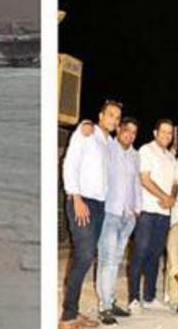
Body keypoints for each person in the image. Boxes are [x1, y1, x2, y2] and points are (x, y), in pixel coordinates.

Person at [61, 99, 122, 328]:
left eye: (117, 117)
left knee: (84, 257)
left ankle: (72, 311)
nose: (114, 120)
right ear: (100, 116)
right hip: (82, 201)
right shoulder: (86, 132)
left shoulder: (109, 143)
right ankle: (68, 317)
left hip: (99, 205)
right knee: (85, 255)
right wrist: (75, 197)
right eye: (111, 115)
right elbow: (70, 164)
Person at [96, 117, 142, 325]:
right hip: (110, 213)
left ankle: (111, 301)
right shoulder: (108, 147)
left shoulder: (134, 155)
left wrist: (137, 209)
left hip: (127, 216)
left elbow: (136, 184)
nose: (130, 135)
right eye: (127, 130)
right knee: (107, 261)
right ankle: (104, 307)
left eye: (134, 132)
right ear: (119, 130)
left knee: (115, 261)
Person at [128, 118, 176, 313]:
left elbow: (174, 182)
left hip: (164, 213)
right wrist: (164, 196)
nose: (167, 135)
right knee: (140, 253)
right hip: (147, 211)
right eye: (163, 132)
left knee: (155, 255)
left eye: (170, 133)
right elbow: (144, 179)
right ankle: (133, 299)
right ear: (155, 133)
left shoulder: (171, 156)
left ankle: (149, 296)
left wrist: (172, 197)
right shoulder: (146, 150)